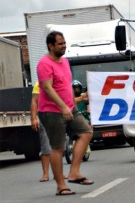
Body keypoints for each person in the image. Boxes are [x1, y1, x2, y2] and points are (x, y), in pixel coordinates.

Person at [37, 31, 93, 196]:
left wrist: (74, 101)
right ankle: (61, 186)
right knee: (57, 147)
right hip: (52, 111)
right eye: (60, 44)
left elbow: (65, 85)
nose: (64, 46)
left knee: (86, 133)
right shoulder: (44, 64)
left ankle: (74, 172)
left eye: (64, 43)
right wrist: (62, 106)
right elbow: (47, 88)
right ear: (51, 45)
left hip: (70, 107)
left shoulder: (65, 62)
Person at [30, 81, 51, 182]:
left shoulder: (60, 80)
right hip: (45, 117)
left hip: (60, 116)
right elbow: (34, 101)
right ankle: (45, 174)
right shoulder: (39, 83)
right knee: (45, 146)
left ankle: (59, 173)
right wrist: (33, 118)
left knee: (58, 147)